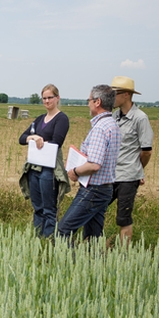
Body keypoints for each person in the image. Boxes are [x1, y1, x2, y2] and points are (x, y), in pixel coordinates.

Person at [58, 85, 121, 242]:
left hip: (94, 190)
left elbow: (94, 165)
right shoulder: (113, 124)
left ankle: (69, 265)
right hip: (106, 188)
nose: (88, 104)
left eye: (89, 100)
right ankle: (92, 264)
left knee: (64, 230)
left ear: (97, 102)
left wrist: (75, 171)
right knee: (93, 236)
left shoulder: (100, 128)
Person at [18, 84, 71, 238]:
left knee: (49, 208)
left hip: (49, 169)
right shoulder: (40, 119)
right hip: (34, 167)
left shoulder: (61, 119)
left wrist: (39, 140)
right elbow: (22, 138)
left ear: (57, 98)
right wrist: (32, 137)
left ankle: (48, 239)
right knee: (37, 207)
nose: (47, 101)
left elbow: (57, 142)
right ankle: (37, 237)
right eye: (45, 98)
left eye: (50, 98)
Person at [107, 76, 153, 246]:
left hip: (128, 176)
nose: (111, 97)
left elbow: (146, 152)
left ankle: (123, 256)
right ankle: (95, 246)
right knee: (97, 209)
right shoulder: (114, 116)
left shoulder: (140, 118)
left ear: (126, 95)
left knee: (123, 217)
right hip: (110, 175)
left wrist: (137, 170)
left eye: (114, 93)